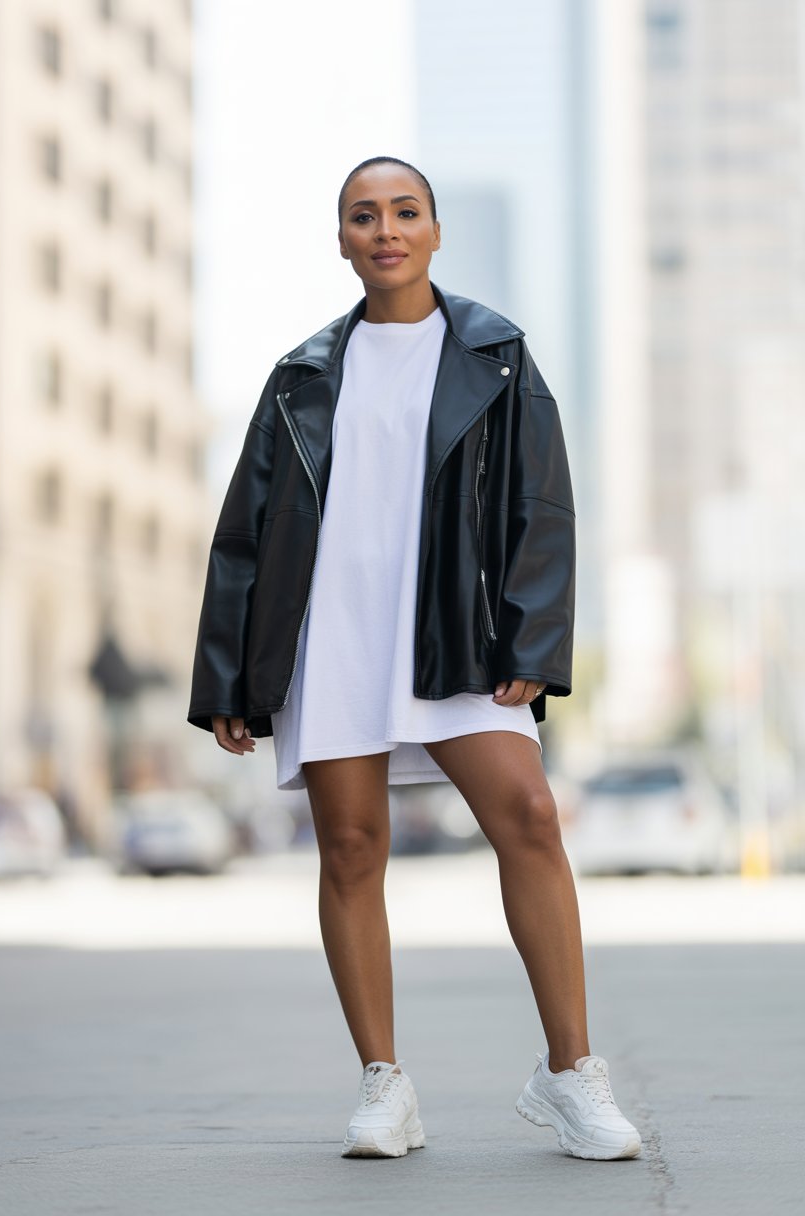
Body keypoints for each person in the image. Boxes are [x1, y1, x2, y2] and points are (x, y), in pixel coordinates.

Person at [188, 156, 641, 1162]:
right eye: (364, 215)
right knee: (350, 848)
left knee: (529, 816)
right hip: (333, 633)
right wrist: (229, 673)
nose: (385, 229)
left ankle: (570, 1071)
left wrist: (533, 637)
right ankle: (383, 1084)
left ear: (434, 230)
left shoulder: (494, 352)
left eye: (404, 211)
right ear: (341, 240)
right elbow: (245, 531)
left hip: (456, 627)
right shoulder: (302, 372)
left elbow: (541, 504)